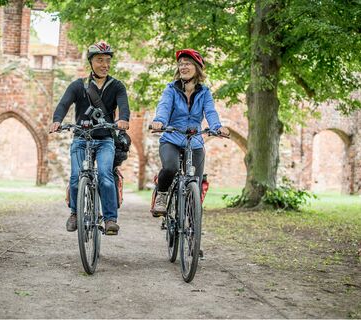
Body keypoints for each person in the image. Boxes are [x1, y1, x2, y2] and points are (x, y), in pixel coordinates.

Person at [49, 40, 130, 234]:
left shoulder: (117, 86)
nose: (104, 64)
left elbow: (123, 106)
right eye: (100, 60)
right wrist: (57, 120)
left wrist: (123, 119)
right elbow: (63, 104)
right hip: (81, 139)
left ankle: (110, 219)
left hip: (105, 141)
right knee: (76, 177)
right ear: (91, 62)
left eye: (107, 60)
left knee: (105, 175)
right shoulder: (78, 86)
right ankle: (75, 213)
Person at [150, 48, 229, 215]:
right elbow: (164, 107)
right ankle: (162, 195)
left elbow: (210, 112)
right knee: (170, 168)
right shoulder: (171, 89)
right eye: (180, 64)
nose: (183, 67)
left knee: (196, 182)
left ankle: (193, 222)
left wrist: (217, 127)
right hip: (171, 138)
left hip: (194, 141)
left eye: (187, 64)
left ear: (197, 68)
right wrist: (159, 121)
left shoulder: (205, 92)